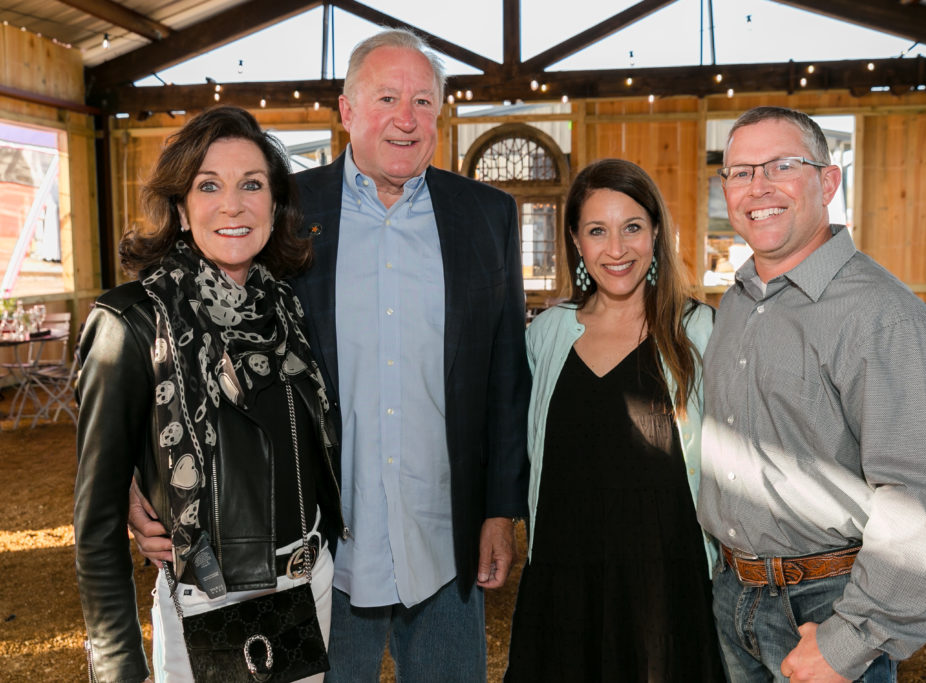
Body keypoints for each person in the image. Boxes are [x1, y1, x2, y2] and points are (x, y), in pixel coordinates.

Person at [129, 28, 530, 682]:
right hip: (320, 552)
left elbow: (504, 376)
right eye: (387, 98)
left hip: (445, 547)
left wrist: (499, 507)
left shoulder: (487, 215)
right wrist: (140, 478)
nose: (407, 118)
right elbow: (188, 338)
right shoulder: (282, 211)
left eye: (424, 102)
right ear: (346, 111)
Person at [74, 106, 342, 682]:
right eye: (208, 185)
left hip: (309, 585)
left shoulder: (286, 308)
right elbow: (95, 525)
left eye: (252, 184)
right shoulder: (132, 321)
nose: (233, 204)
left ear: (275, 203)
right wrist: (119, 669)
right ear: (179, 206)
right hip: (209, 602)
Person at [699, 105, 926, 682]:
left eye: (781, 166)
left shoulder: (883, 314)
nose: (758, 186)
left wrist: (854, 638)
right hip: (734, 596)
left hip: (828, 607)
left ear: (827, 180)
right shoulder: (739, 300)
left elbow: (919, 495)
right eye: (741, 171)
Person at [504, 158, 725, 682]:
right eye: (597, 231)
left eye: (632, 228)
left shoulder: (698, 331)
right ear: (577, 242)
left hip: (665, 587)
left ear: (655, 235)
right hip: (563, 578)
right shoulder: (547, 336)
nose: (617, 249)